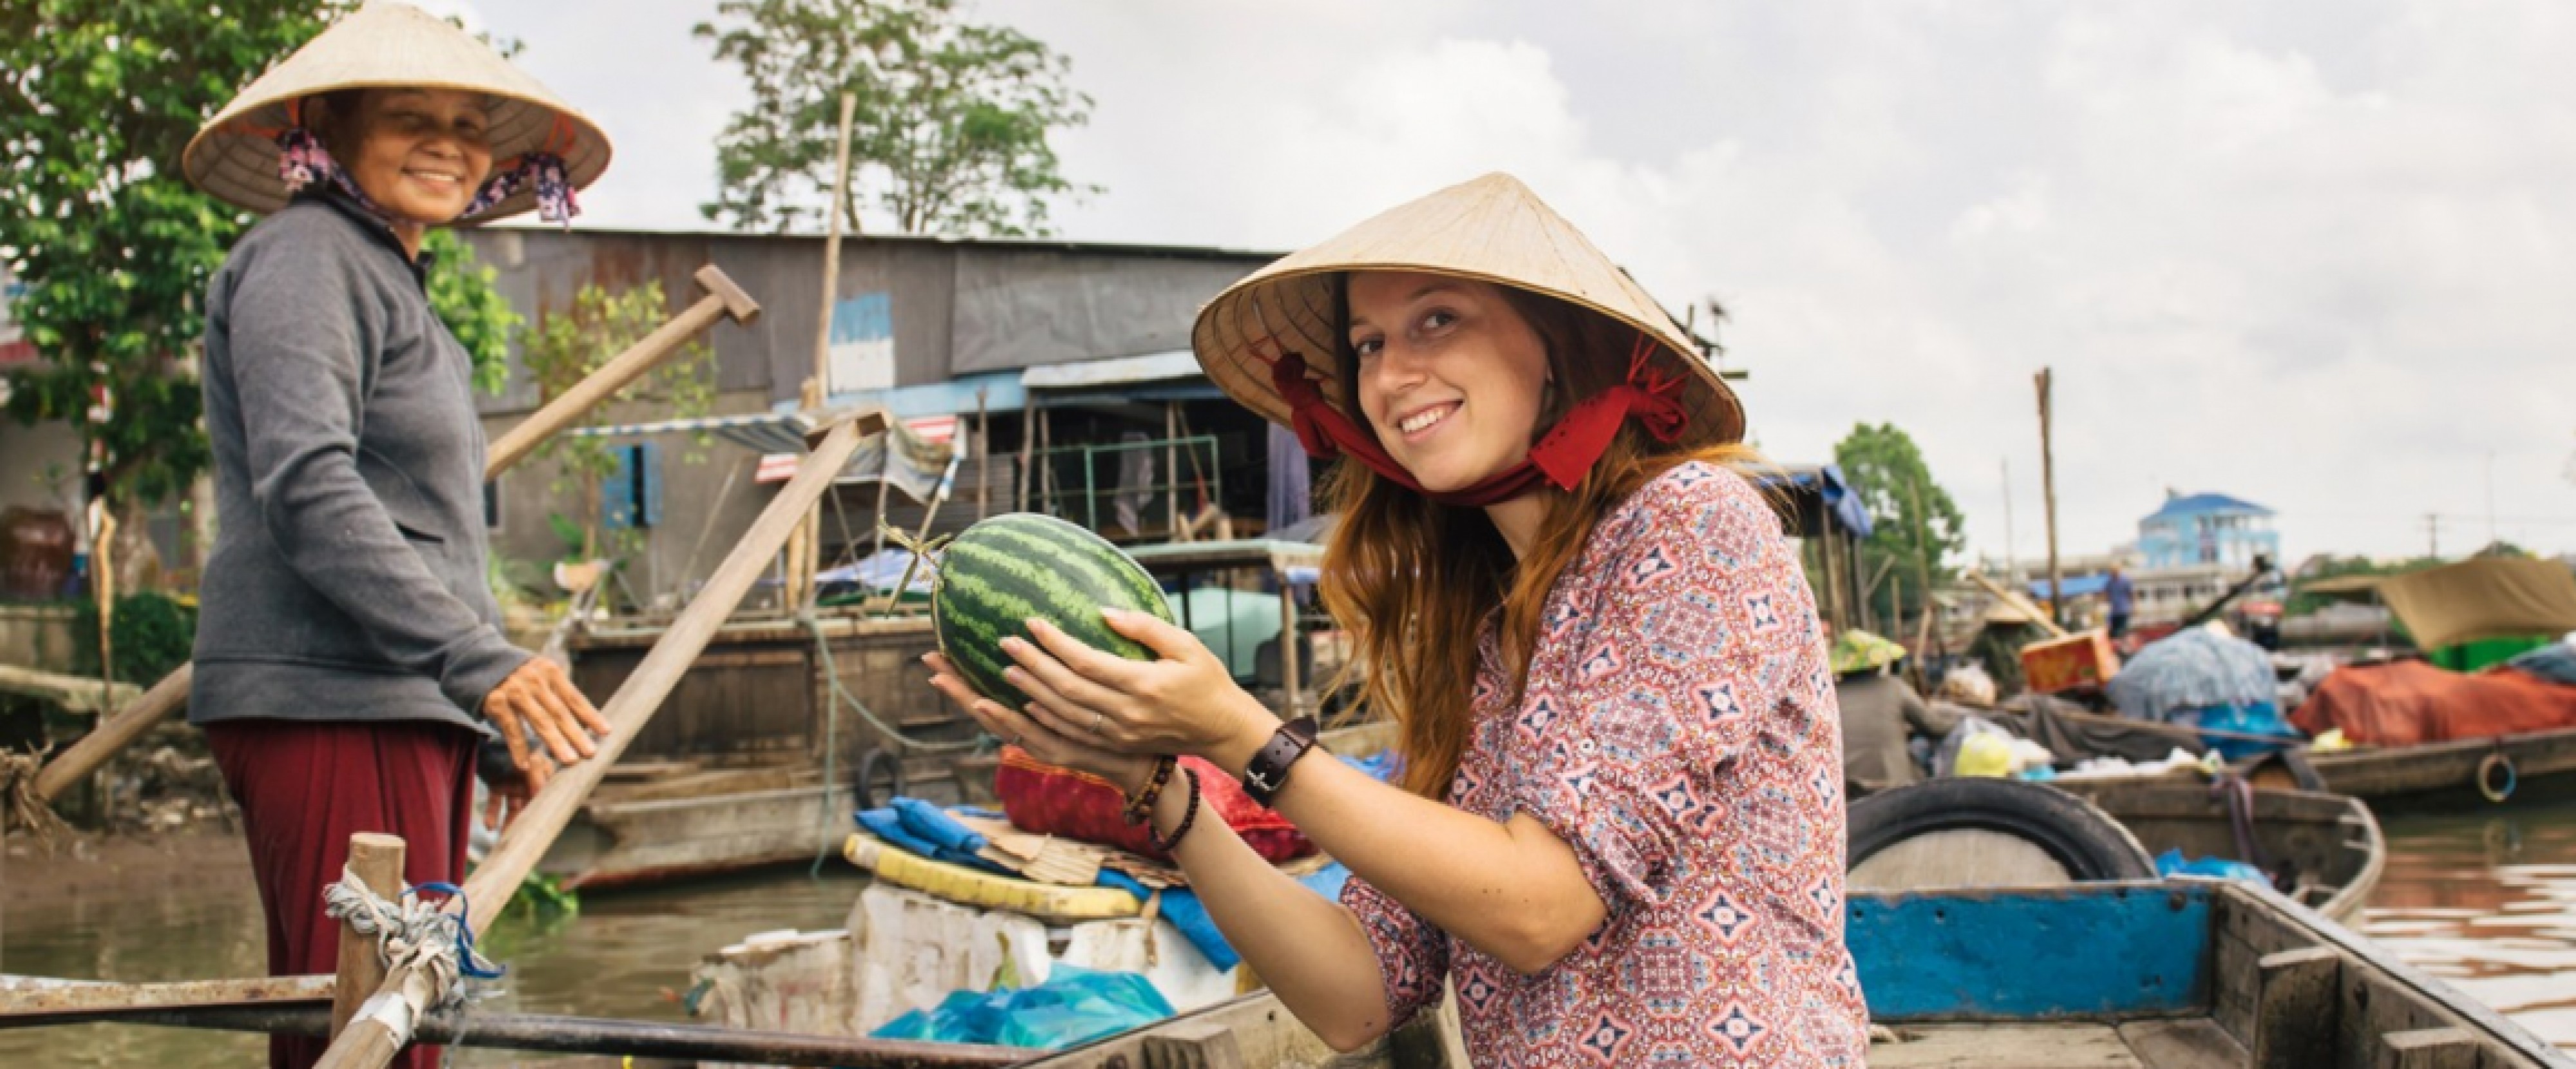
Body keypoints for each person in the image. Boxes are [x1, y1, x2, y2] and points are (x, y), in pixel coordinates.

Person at [926, 174, 1866, 1065]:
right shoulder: (1482, 636)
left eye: (1437, 320)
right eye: (1369, 344)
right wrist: (1159, 785)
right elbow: (1357, 995)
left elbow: (1540, 904)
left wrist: (1237, 730)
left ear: (1558, 346)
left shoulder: (1691, 524)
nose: (1390, 373)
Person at [179, 6, 613, 1067]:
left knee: (400, 1021)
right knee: (366, 1033)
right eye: (408, 116)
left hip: (400, 698)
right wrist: (480, 664)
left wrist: (482, 719)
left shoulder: (393, 280)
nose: (448, 143)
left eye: (471, 125)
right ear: (326, 127)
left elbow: (423, 534)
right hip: (329, 697)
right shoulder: (305, 257)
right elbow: (309, 484)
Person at [1830, 628, 1961, 793]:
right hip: (1894, 786)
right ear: (1876, 665)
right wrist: (1960, 722)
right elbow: (1935, 727)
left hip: (1845, 788)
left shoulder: (1830, 695)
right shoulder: (1894, 687)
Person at [2105, 565, 2136, 638]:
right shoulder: (2110, 582)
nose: (2113, 573)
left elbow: (2132, 594)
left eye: (2115, 571)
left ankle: (2123, 644)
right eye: (2112, 572)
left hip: (2124, 610)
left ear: (2119, 571)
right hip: (2114, 611)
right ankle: (2117, 643)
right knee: (2111, 632)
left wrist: (2135, 607)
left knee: (2121, 630)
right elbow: (2107, 594)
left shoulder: (2126, 581)